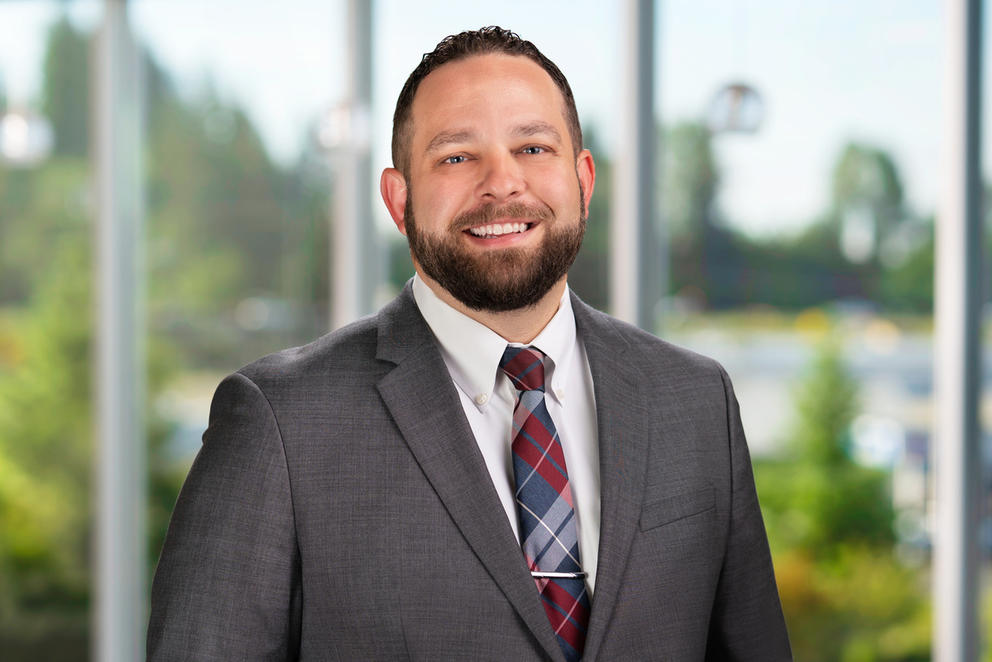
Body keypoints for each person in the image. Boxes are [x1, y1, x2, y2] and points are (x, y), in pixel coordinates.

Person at [148, 26, 792, 661]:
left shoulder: (696, 400)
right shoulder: (279, 422)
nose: (502, 184)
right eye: (457, 157)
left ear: (584, 181)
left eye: (534, 148)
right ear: (399, 201)